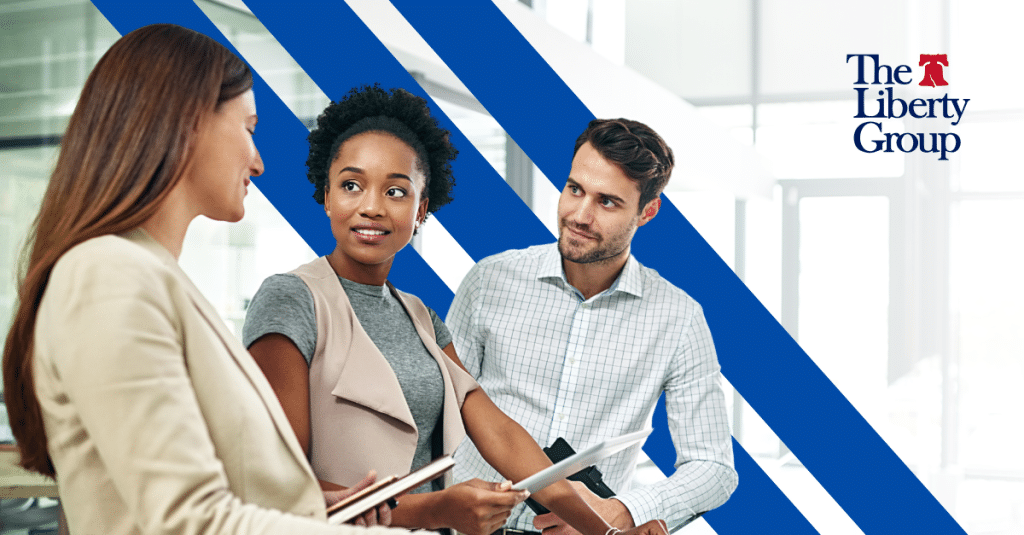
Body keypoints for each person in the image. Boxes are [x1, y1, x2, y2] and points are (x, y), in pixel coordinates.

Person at [1, 24, 405, 535]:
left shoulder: (151, 275)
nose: (257, 162)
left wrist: (309, 511)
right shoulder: (108, 274)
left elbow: (201, 494)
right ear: (188, 121)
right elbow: (186, 522)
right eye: (250, 128)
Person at [242, 86, 670, 535]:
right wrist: (433, 510)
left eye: (396, 191)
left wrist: (608, 533)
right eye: (351, 185)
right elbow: (278, 487)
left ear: (421, 209)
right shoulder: (291, 299)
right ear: (326, 196)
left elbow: (501, 436)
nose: (371, 207)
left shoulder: (422, 318)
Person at [447, 119, 739, 534]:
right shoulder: (489, 281)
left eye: (607, 202)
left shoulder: (678, 318)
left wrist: (626, 509)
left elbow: (713, 466)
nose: (579, 215)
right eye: (574, 189)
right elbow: (439, 410)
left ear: (647, 212)